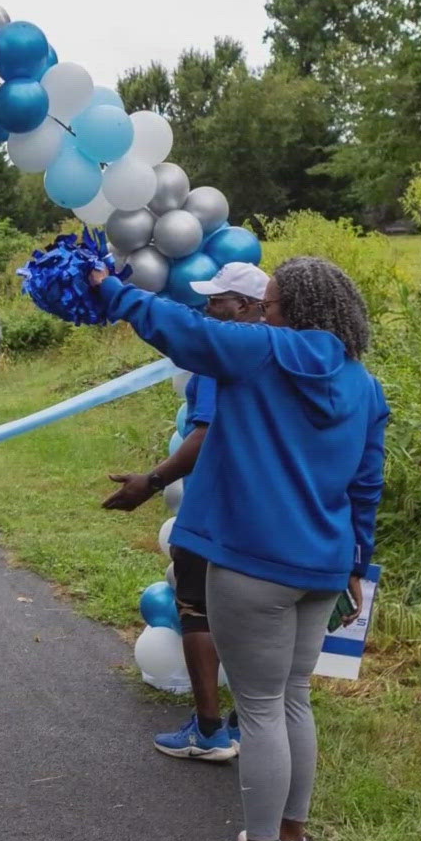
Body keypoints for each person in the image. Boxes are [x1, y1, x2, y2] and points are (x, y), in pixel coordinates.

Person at [89, 255, 387, 841]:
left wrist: (111, 290)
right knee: (292, 700)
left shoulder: (260, 353)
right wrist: (359, 564)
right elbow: (367, 483)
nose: (268, 311)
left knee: (258, 710)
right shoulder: (365, 386)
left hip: (253, 565)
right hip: (323, 569)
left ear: (298, 311)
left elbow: (179, 330)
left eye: (275, 302)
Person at [102, 262, 268, 762]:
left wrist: (151, 482)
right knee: (257, 615)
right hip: (267, 503)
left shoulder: (228, 352)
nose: (207, 306)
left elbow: (206, 432)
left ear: (244, 306)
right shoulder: (284, 351)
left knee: (196, 606)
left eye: (217, 299)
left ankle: (210, 730)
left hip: (219, 501)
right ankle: (252, 723)